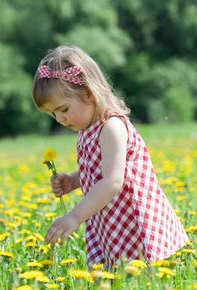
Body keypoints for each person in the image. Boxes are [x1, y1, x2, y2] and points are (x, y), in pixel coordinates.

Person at [32, 45, 188, 270]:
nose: (60, 119)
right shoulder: (88, 129)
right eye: (53, 113)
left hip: (131, 217)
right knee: (119, 273)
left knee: (141, 270)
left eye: (64, 109)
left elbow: (112, 180)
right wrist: (73, 180)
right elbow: (98, 169)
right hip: (111, 217)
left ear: (88, 93)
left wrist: (75, 216)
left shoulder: (111, 127)